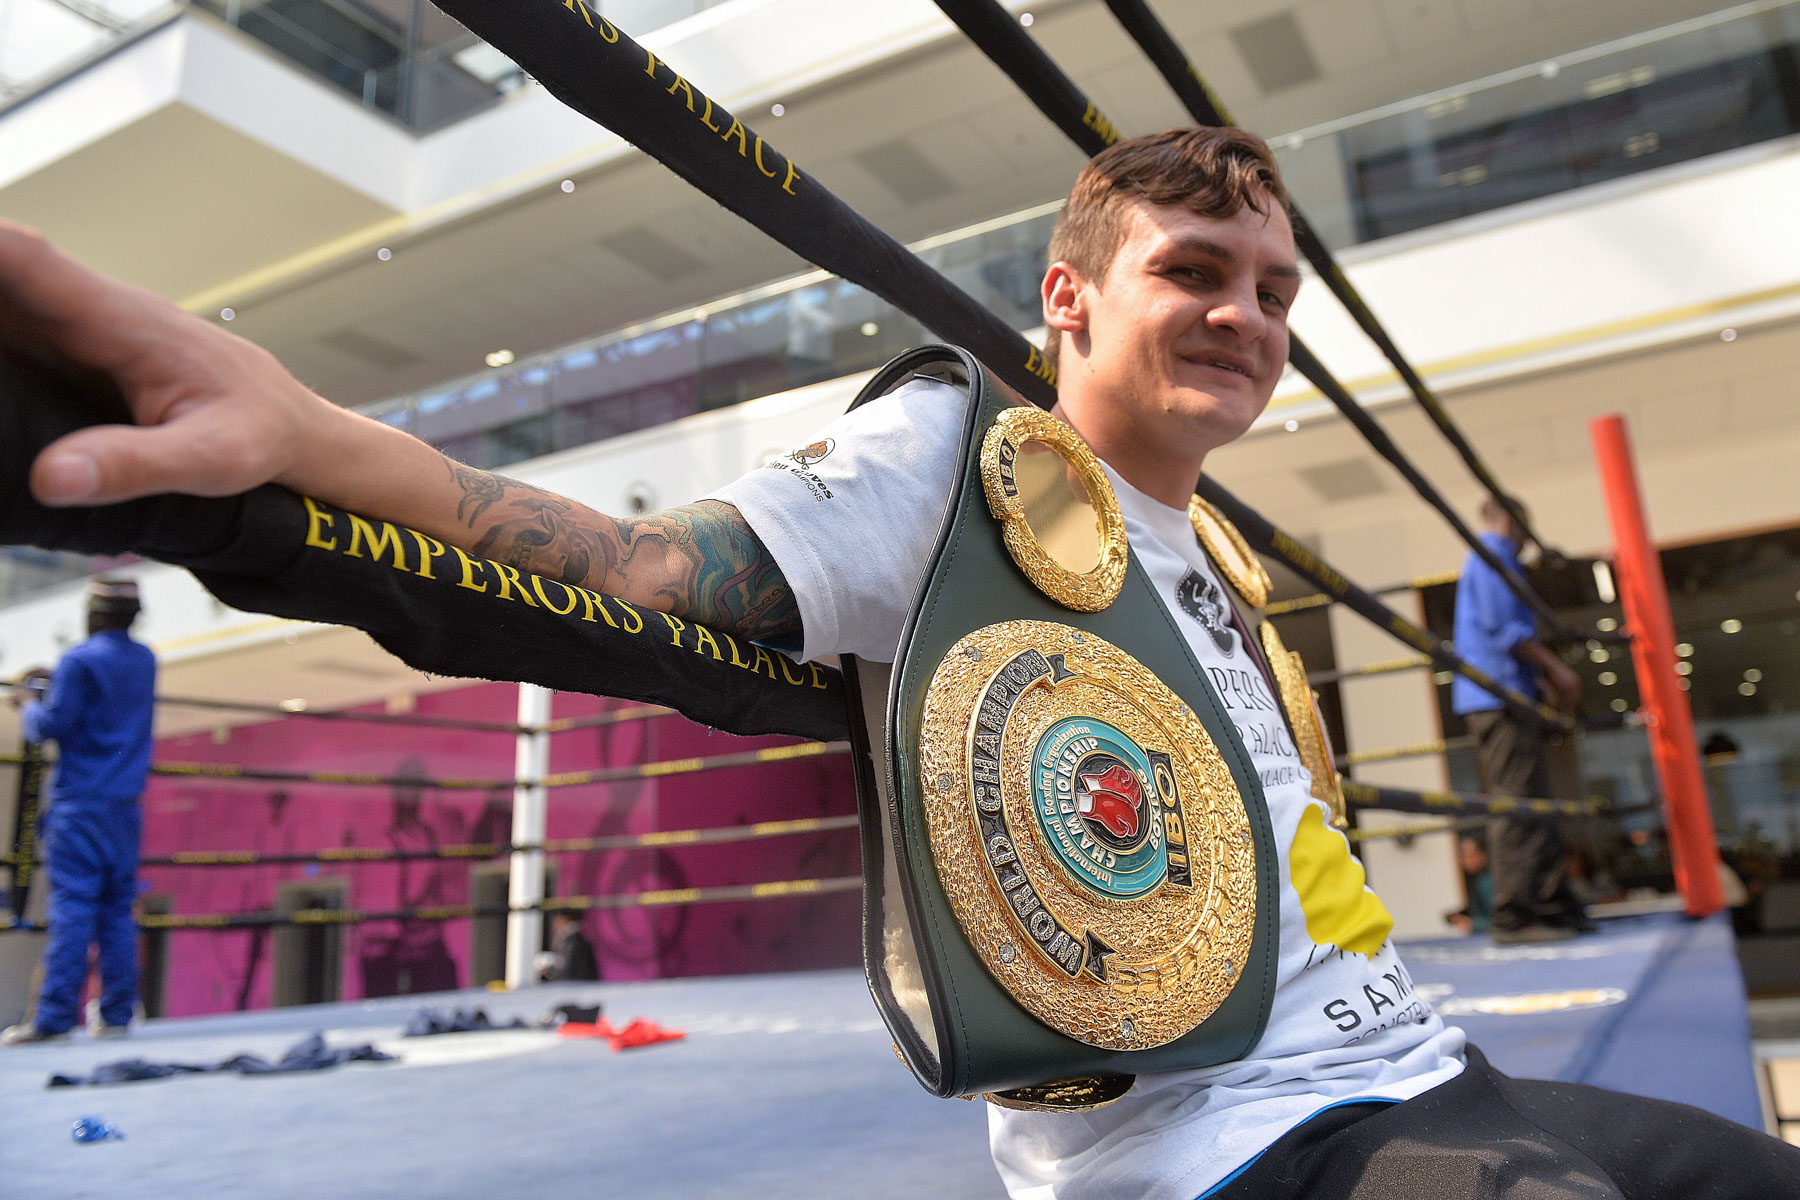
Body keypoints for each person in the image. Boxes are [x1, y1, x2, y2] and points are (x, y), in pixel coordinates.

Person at [2, 127, 1795, 1196]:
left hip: (1425, 1069)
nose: (1247, 317)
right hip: (1235, 1157)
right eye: (1197, 270)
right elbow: (632, 570)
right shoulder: (949, 468)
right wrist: (309, 434)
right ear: (1070, 294)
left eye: (1272, 291)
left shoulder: (1223, 551)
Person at [2, 578, 156, 1044]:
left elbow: (50, 726)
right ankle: (115, 1015)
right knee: (116, 909)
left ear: (95, 613)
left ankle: (53, 1018)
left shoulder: (79, 660)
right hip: (125, 807)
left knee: (72, 907)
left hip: (81, 803)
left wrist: (28, 702)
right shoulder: (145, 659)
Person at [1450, 496, 1591, 944]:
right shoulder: (1491, 556)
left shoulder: (1494, 559)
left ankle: (1552, 906)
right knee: (1517, 803)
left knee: (1534, 801)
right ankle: (1512, 917)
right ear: (1513, 521)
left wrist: (1540, 678)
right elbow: (1503, 629)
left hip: (1508, 694)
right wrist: (1555, 667)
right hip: (1497, 697)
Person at [539, 912, 601, 983]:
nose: (555, 924)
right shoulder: (567, 936)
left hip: (576, 983)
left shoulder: (574, 939)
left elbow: (570, 966)